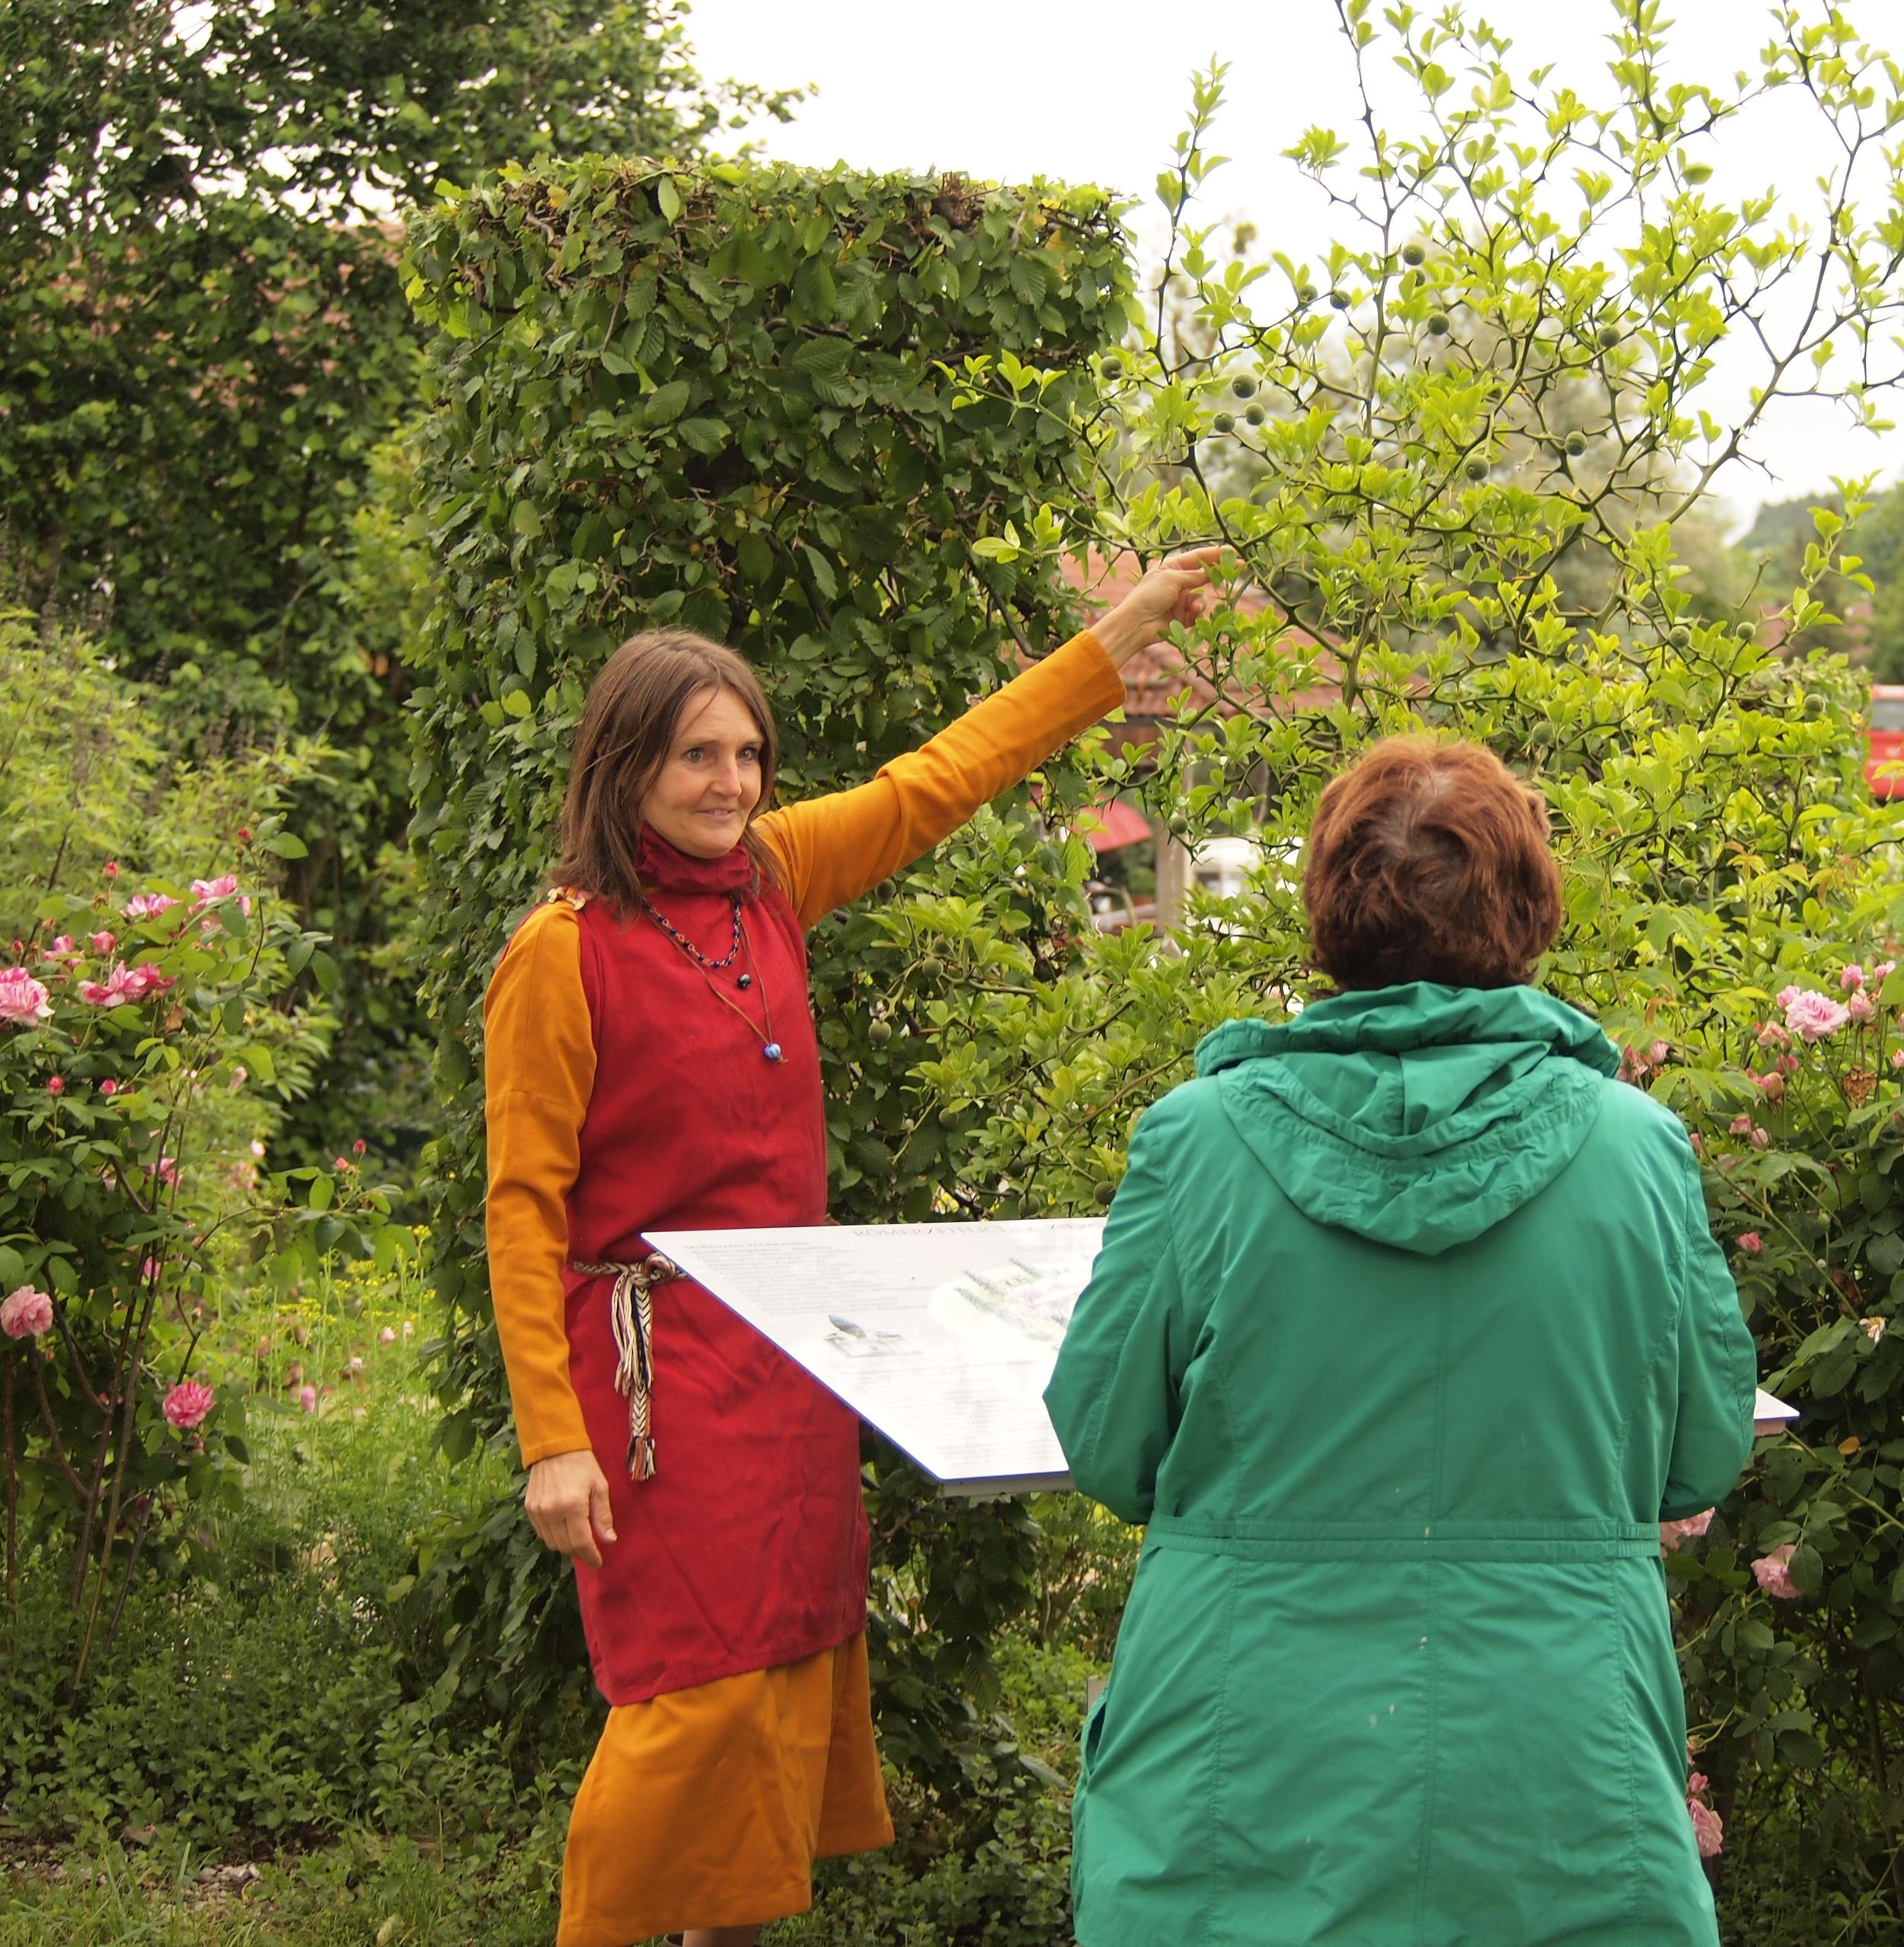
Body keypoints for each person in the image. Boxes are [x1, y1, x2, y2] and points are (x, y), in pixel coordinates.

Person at [481, 548, 1217, 1947]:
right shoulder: (560, 953)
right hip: (651, 1384)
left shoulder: (773, 876)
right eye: (699, 756)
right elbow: (522, 1206)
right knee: (690, 1689)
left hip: (792, 1361)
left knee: (780, 1677)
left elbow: (943, 776)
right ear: (624, 765)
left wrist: (1115, 638)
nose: (733, 784)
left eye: (748, 754)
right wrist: (551, 1439)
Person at [1046, 736, 1758, 1947]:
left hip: (1239, 1764)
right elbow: (1700, 1452)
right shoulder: (1637, 1148)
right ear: (1530, 908)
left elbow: (1109, 1444)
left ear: (1330, 910)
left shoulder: (1199, 1141)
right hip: (1559, 1779)